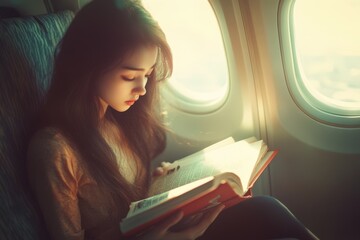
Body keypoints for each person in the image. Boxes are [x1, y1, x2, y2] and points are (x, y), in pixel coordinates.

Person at [26, 0, 318, 239]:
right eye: (129, 76)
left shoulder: (116, 120)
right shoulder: (55, 150)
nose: (141, 89)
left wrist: (159, 188)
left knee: (266, 210)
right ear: (87, 66)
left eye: (148, 74)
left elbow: (126, 205)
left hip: (164, 231)